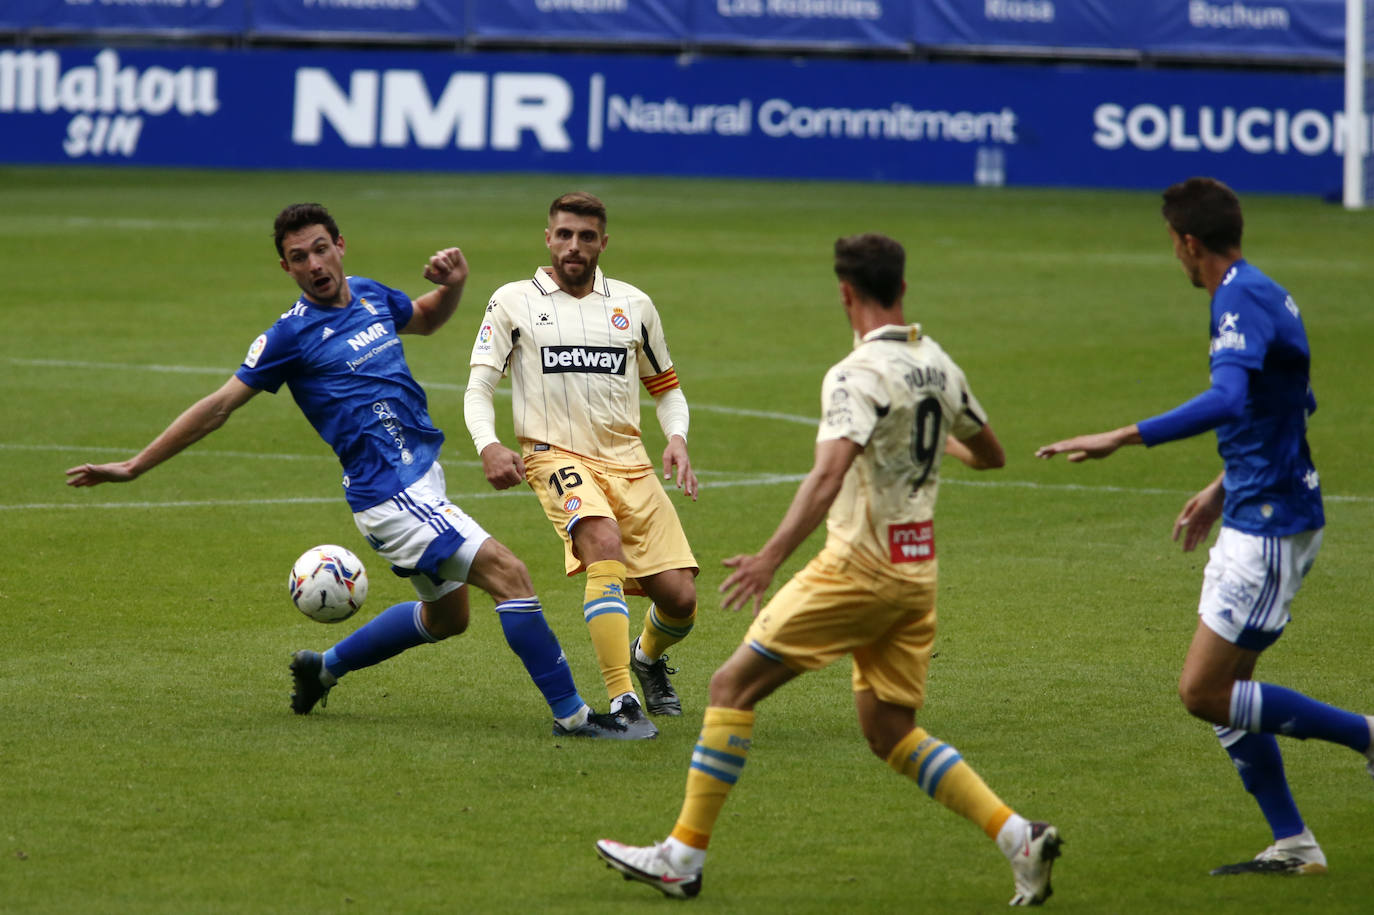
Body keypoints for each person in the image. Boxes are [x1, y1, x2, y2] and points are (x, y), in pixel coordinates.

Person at [595, 233, 1062, 905]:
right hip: (916, 574)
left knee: (730, 686)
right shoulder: (936, 361)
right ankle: (1019, 836)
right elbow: (989, 452)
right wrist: (922, 446)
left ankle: (681, 856)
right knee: (889, 731)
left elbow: (826, 476)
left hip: (858, 569)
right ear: (901, 286)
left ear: (845, 293)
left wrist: (768, 558)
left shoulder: (855, 374)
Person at [65, 202, 636, 740]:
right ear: (285, 267)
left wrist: (453, 285)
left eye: (320, 249)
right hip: (391, 494)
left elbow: (425, 317)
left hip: (420, 479)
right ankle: (574, 716)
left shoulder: (367, 295)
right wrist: (135, 465)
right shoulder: (288, 336)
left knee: (447, 619)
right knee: (510, 575)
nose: (313, 265)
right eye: (298, 258)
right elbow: (218, 406)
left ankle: (323, 669)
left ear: (340, 246)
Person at [1036, 176, 1374, 875]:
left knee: (1203, 692)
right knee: (1230, 695)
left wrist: (1120, 436)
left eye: (1174, 246)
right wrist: (1223, 486)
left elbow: (1228, 398)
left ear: (1190, 243)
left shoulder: (1239, 296)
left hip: (1273, 523)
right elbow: (1290, 399)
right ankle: (1294, 844)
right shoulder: (1262, 289)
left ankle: (1366, 736)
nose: (1176, 258)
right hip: (1257, 506)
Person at [464, 191, 700, 739]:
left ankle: (646, 657)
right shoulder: (513, 301)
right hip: (554, 456)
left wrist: (678, 439)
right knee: (601, 541)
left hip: (631, 465)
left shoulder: (634, 306)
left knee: (680, 600)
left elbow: (667, 390)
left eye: (586, 236)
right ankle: (623, 701)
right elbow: (480, 385)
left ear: (603, 243)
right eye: (564, 235)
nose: (574, 246)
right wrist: (488, 444)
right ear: (548, 238)